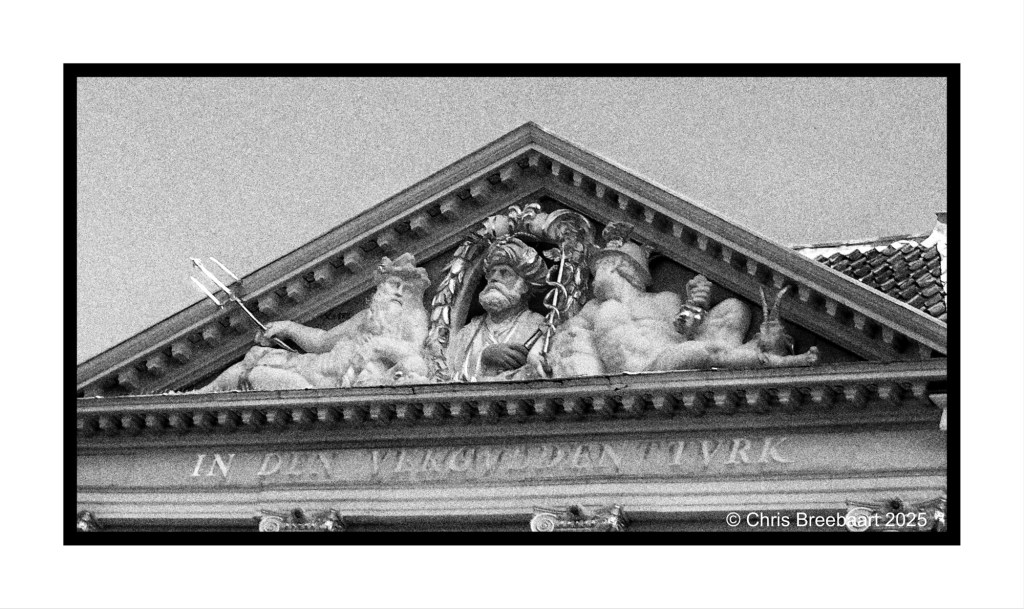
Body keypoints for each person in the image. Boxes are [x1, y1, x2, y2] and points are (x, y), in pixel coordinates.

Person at [197, 253, 431, 391]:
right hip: (310, 366)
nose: (399, 292)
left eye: (407, 289)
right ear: (382, 288)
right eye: (394, 285)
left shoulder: (412, 324)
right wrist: (289, 328)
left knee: (254, 375)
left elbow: (415, 358)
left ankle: (200, 396)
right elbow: (321, 341)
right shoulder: (364, 319)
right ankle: (196, 395)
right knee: (255, 360)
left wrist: (379, 345)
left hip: (316, 387)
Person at [548, 223, 751, 376]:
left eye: (600, 270)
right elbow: (566, 336)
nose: (593, 281)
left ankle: (737, 364)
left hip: (669, 360)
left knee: (734, 308)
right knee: (704, 351)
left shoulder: (664, 300)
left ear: (620, 269)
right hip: (645, 371)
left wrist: (696, 304)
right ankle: (756, 357)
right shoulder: (594, 308)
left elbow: (684, 330)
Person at [446, 237, 549, 381]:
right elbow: (449, 375)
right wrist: (484, 357)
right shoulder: (467, 333)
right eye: (492, 272)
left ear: (524, 285)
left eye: (504, 272)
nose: (494, 278)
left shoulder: (539, 326)